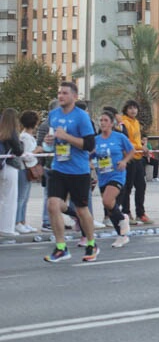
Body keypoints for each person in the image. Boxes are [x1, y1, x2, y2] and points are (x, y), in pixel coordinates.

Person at [42, 82, 98, 263]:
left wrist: (66, 137)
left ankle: (91, 243)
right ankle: (61, 247)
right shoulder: (53, 115)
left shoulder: (82, 117)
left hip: (78, 170)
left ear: (74, 96)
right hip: (59, 167)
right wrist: (48, 141)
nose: (61, 96)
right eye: (59, 93)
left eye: (65, 93)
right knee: (52, 205)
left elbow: (89, 145)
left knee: (82, 210)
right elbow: (50, 142)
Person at [92, 111, 134, 247]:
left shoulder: (119, 137)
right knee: (109, 206)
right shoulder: (96, 140)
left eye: (105, 120)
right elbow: (90, 155)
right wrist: (90, 163)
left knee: (107, 200)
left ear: (111, 123)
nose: (102, 122)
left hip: (117, 174)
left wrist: (124, 161)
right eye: (101, 120)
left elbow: (131, 151)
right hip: (103, 175)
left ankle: (122, 218)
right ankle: (121, 235)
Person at [116, 100, 148, 223]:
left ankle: (141, 213)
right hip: (129, 158)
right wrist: (141, 147)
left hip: (139, 158)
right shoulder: (124, 122)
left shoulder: (136, 122)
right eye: (130, 108)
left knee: (141, 186)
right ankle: (126, 212)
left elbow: (137, 140)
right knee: (127, 187)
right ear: (125, 110)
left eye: (135, 108)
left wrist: (143, 147)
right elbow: (126, 141)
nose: (133, 110)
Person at [0, 108, 24, 237]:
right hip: (9, 167)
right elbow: (19, 151)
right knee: (10, 198)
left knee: (1, 199)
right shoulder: (12, 132)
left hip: (1, 165)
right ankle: (7, 228)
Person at [14, 111, 39, 234]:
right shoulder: (25, 137)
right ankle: (18, 221)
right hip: (25, 169)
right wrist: (37, 151)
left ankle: (22, 221)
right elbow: (27, 155)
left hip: (26, 169)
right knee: (21, 197)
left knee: (25, 196)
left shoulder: (25, 136)